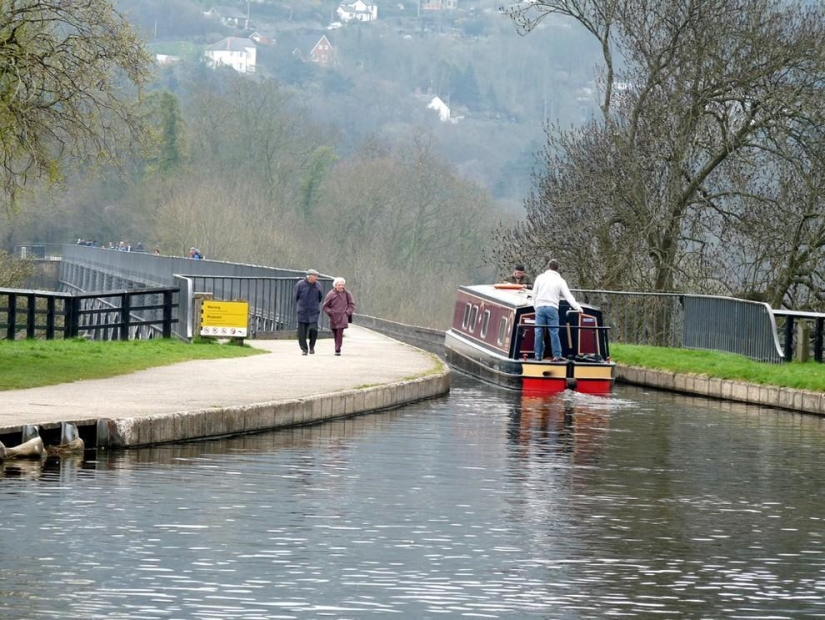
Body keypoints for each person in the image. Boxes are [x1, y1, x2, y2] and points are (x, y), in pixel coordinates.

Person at [531, 259, 582, 362]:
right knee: (554, 332)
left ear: (548, 267)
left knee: (538, 331)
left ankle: (538, 355)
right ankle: (557, 355)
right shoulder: (560, 281)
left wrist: (535, 307)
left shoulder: (540, 278)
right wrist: (577, 307)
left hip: (540, 307)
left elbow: (534, 294)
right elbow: (568, 296)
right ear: (558, 268)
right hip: (552, 308)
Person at [322, 277, 355, 356]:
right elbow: (325, 306)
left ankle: (337, 349)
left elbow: (352, 305)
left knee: (340, 331)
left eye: (342, 285)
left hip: (343, 316)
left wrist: (347, 313)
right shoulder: (331, 294)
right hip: (333, 316)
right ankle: (337, 346)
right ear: (335, 285)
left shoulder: (347, 293)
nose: (341, 286)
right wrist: (330, 312)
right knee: (335, 332)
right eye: (339, 285)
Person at [294, 269, 323, 355]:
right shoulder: (300, 285)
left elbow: (320, 298)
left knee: (313, 329)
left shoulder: (318, 285)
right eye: (315, 276)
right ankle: (304, 349)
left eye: (317, 276)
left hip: (313, 311)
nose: (316, 278)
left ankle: (312, 346)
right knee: (302, 332)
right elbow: (296, 297)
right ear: (309, 276)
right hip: (302, 311)